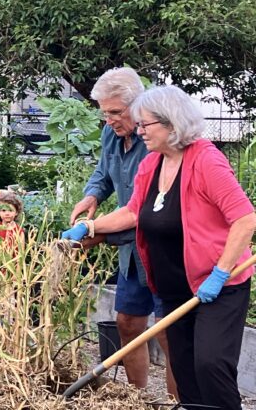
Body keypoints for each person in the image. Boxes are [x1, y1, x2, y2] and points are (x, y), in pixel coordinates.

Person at [63, 85, 256, 410]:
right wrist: (90, 227)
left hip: (217, 285)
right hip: (173, 286)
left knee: (210, 366)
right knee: (185, 371)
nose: (139, 132)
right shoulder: (153, 163)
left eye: (145, 125)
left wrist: (220, 272)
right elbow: (134, 211)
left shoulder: (207, 161)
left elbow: (246, 219)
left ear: (171, 123)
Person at [69, 67, 176, 397]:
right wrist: (92, 195)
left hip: (162, 249)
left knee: (169, 331)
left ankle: (178, 401)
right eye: (105, 113)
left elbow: (141, 211)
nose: (110, 120)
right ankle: (138, 398)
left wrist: (96, 231)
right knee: (128, 322)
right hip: (132, 252)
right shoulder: (111, 134)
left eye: (116, 112)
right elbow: (103, 172)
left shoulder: (156, 141)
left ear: (138, 105)